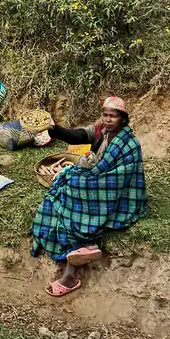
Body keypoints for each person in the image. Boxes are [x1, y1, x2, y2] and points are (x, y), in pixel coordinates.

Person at [31, 96, 146, 297]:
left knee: (72, 187)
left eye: (113, 116)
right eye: (106, 115)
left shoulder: (128, 143)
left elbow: (121, 176)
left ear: (123, 119)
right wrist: (53, 128)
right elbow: (77, 136)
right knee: (63, 188)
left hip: (117, 190)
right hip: (98, 178)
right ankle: (80, 247)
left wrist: (89, 179)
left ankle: (74, 266)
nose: (108, 119)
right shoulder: (101, 131)